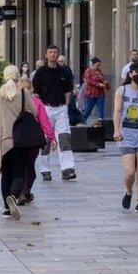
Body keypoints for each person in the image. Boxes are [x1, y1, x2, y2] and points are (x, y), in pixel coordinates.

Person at [0, 66, 39, 219]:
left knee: (7, 174)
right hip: (20, 140)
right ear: (18, 78)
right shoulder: (23, 93)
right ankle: (14, 196)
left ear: (4, 77)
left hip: (3, 141)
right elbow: (35, 112)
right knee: (19, 172)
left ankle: (6, 207)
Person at [32, 45, 77, 181]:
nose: (53, 55)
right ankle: (45, 170)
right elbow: (35, 93)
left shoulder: (65, 72)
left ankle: (67, 169)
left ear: (58, 55)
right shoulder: (41, 72)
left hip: (61, 109)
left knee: (64, 139)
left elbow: (68, 91)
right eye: (50, 52)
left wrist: (66, 106)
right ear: (46, 55)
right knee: (46, 140)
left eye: (55, 52)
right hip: (46, 109)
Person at [113, 61, 138, 214]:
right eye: (135, 72)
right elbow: (117, 112)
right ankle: (129, 191)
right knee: (130, 172)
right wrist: (116, 131)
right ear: (130, 74)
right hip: (126, 135)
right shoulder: (122, 91)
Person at [18, 77, 54, 205]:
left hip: (18, 138)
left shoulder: (13, 102)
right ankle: (25, 192)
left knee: (20, 165)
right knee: (30, 166)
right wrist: (51, 137)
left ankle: (19, 192)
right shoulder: (37, 102)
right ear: (31, 89)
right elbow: (44, 121)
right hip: (34, 138)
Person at [81, 57, 108, 125]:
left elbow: (102, 79)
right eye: (97, 65)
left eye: (99, 65)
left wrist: (105, 83)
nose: (98, 67)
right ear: (92, 64)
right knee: (88, 109)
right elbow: (89, 81)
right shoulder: (88, 71)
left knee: (101, 109)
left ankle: (101, 123)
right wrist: (98, 84)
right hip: (91, 93)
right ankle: (82, 121)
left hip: (100, 93)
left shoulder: (99, 71)